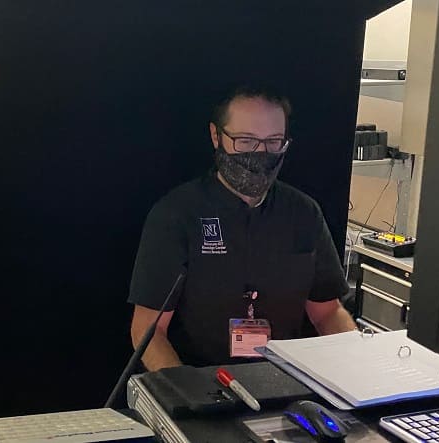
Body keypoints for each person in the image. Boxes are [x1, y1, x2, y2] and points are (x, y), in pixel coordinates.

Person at [128, 86, 356, 371]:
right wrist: (183, 395)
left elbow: (328, 313)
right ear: (216, 136)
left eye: (274, 141)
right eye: (246, 141)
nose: (260, 153)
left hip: (285, 381)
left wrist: (354, 366)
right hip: (201, 382)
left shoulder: (303, 212)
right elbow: (147, 332)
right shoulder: (176, 215)